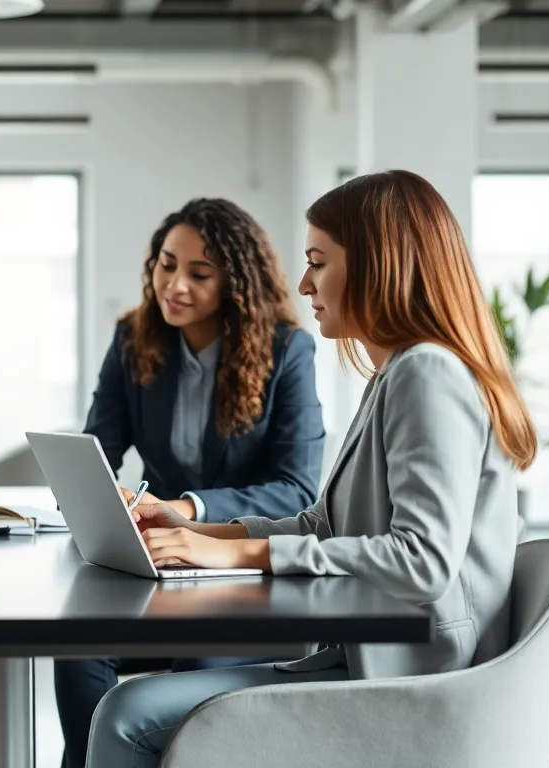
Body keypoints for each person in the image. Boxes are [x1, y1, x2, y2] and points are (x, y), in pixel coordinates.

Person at [85, 170, 536, 768]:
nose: (303, 283)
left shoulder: (428, 374)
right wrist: (197, 531)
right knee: (128, 703)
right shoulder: (398, 373)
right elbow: (323, 524)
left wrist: (243, 555)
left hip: (415, 684)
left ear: (378, 265)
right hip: (367, 661)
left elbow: (422, 563)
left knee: (126, 714)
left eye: (319, 262)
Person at [56, 198, 326, 768]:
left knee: (198, 667)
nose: (174, 285)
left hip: (238, 568)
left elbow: (298, 488)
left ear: (236, 282)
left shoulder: (287, 350)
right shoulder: (134, 341)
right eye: (165, 264)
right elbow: (99, 446)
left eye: (199, 274)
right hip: (156, 565)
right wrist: (99, 495)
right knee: (76, 646)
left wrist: (188, 507)